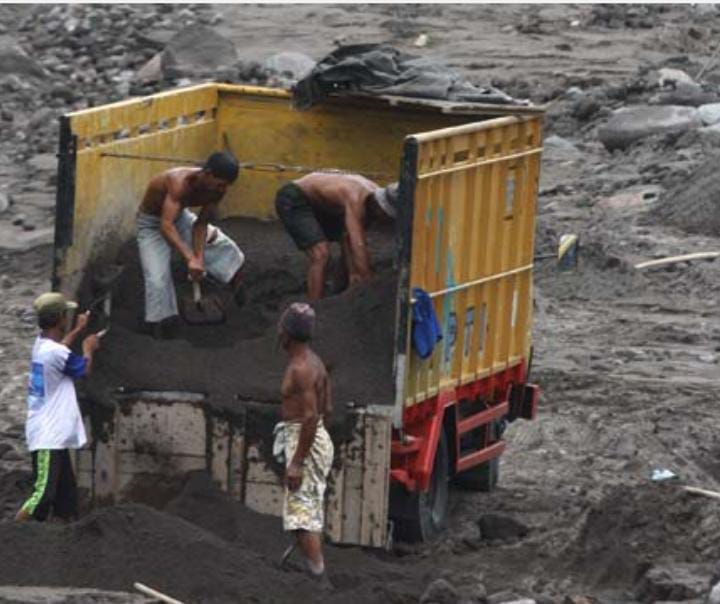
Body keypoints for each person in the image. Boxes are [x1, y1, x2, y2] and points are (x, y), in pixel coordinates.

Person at [137, 151, 246, 337]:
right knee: (157, 279)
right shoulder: (178, 182)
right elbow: (165, 225)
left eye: (227, 185)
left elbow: (201, 224)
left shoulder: (217, 191)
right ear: (208, 174)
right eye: (221, 184)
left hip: (180, 217)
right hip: (152, 224)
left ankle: (236, 284)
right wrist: (189, 258)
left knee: (223, 246)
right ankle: (161, 327)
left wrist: (199, 258)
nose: (223, 189)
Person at [15, 293, 100, 523]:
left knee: (67, 500)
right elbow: (83, 370)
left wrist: (76, 330)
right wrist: (88, 347)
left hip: (53, 437)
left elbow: (60, 350)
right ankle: (11, 537)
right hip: (47, 437)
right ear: (61, 318)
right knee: (42, 496)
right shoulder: (56, 353)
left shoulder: (41, 346)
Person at [274, 303, 334, 582]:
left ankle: (318, 580)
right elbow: (328, 408)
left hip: (305, 438)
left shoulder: (301, 369)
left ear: (288, 334)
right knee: (306, 508)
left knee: (301, 515)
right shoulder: (315, 361)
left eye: (281, 328)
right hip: (312, 437)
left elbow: (310, 417)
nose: (278, 333)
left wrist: (298, 461)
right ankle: (314, 570)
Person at [274, 173, 398, 300]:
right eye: (385, 215)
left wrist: (354, 274)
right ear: (379, 207)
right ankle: (314, 306)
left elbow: (348, 239)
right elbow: (358, 243)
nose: (383, 220)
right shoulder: (355, 198)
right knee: (321, 254)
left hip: (323, 205)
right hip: (294, 197)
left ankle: (340, 293)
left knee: (347, 243)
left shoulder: (372, 197)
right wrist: (368, 283)